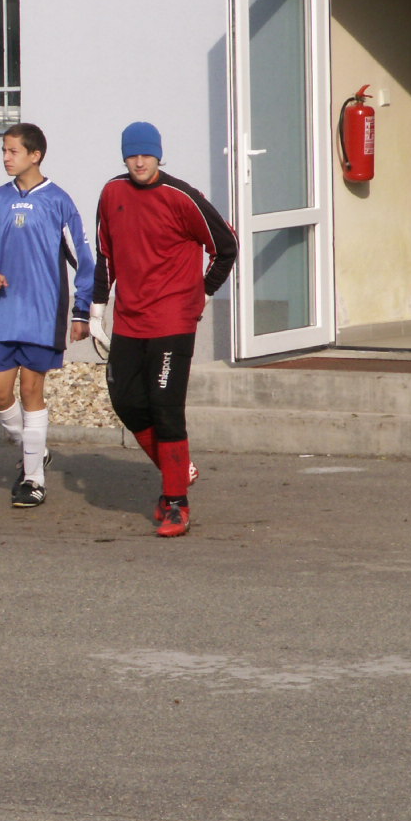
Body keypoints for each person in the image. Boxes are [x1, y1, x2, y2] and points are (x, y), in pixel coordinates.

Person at [89, 122, 238, 537]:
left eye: (147, 154)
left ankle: (176, 503)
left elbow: (227, 246)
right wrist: (95, 311)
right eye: (132, 155)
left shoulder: (182, 197)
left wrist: (202, 294)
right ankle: (179, 469)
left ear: (159, 155)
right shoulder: (111, 193)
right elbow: (104, 256)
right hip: (130, 319)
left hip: (172, 319)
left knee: (165, 406)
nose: (139, 161)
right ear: (124, 157)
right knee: (126, 400)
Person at [0, 123, 95, 507]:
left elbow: (84, 261)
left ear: (35, 155)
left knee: (31, 391)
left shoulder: (58, 201)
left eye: (13, 151)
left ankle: (33, 478)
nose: (6, 158)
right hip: (4, 311)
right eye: (3, 151)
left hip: (43, 314)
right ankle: (33, 449)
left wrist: (82, 311)